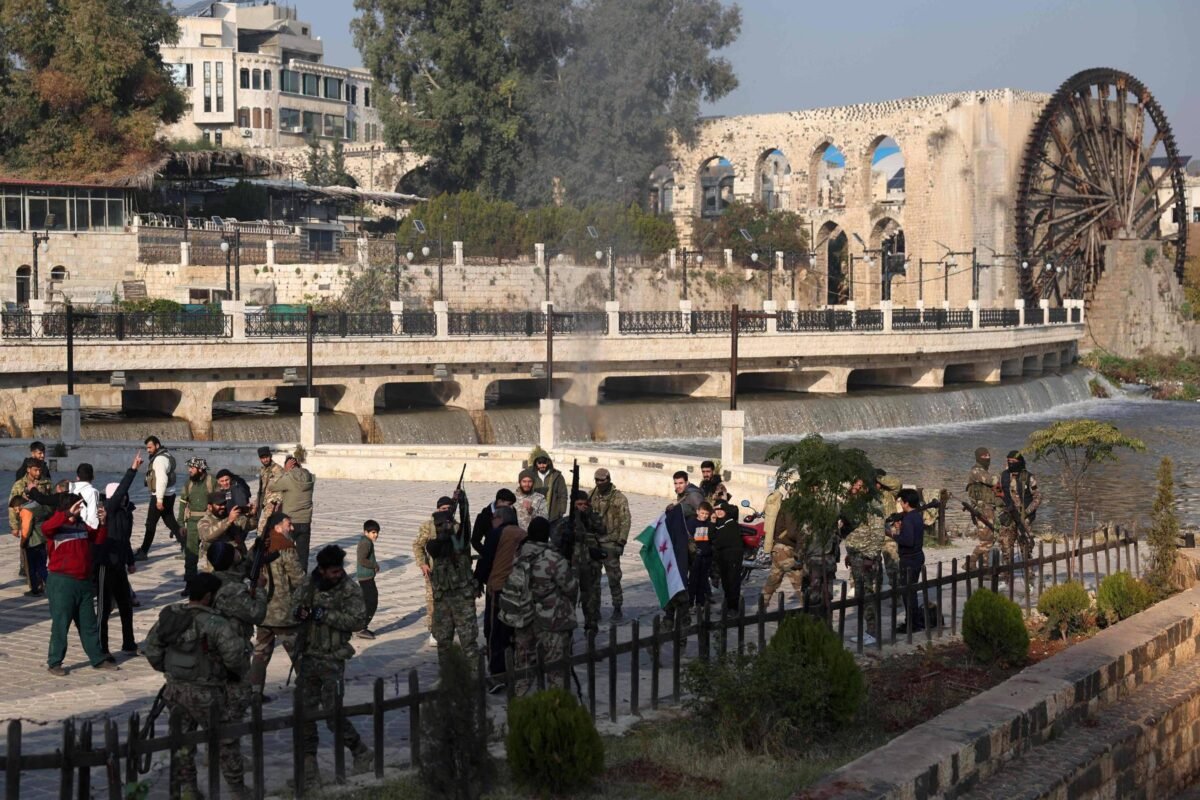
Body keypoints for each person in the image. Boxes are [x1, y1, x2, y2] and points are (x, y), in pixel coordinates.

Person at [142, 573, 248, 799]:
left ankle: (188, 788)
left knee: (182, 742)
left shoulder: (171, 618)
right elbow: (236, 658)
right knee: (226, 741)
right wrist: (228, 674)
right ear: (209, 596)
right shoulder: (216, 624)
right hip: (207, 693)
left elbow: (151, 650)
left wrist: (172, 671)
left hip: (175, 691)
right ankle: (237, 790)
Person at [290, 544, 374, 789]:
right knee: (305, 713)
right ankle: (309, 767)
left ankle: (360, 751)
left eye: (340, 571)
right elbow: (293, 607)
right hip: (308, 657)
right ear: (322, 570)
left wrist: (324, 615)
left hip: (332, 658)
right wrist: (302, 613)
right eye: (333, 572)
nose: (338, 575)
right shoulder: (309, 583)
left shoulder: (349, 589)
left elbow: (358, 620)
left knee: (331, 714)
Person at [207, 541, 267, 800]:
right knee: (234, 706)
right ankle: (228, 760)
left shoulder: (218, 578)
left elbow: (243, 566)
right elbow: (256, 613)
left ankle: (221, 750)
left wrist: (258, 549)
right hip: (230, 654)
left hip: (218, 651)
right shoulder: (230, 588)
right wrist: (262, 590)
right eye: (236, 553)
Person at [42, 494, 119, 675]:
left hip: (83, 582)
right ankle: (54, 662)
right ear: (68, 508)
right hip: (62, 583)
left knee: (88, 623)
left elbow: (97, 539)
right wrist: (66, 513)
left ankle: (97, 658)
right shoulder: (55, 526)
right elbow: (46, 528)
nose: (80, 510)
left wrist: (103, 523)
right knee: (61, 623)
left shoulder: (81, 526)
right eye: (78, 507)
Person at [503, 516, 578, 693]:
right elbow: (571, 587)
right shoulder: (553, 558)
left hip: (523, 619)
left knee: (523, 669)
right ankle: (554, 708)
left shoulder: (519, 554)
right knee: (555, 670)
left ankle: (519, 706)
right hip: (550, 621)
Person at [249, 512, 304, 698]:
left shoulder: (259, 547)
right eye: (289, 524)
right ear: (278, 527)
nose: (292, 528)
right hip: (283, 614)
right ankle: (307, 687)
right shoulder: (286, 548)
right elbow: (298, 579)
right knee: (298, 652)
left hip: (263, 612)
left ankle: (255, 692)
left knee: (260, 653)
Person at [424, 490, 479, 669]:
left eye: (446, 524)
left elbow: (467, 527)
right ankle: (447, 677)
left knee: (469, 643)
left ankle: (474, 676)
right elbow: (437, 546)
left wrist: (463, 504)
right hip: (443, 602)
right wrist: (446, 533)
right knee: (444, 643)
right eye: (440, 525)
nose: (444, 527)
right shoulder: (434, 545)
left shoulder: (459, 542)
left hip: (462, 600)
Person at [96, 451, 143, 655]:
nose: (122, 497)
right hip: (106, 565)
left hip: (119, 565)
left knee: (126, 605)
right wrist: (133, 470)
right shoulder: (111, 509)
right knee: (105, 610)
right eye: (118, 496)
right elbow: (122, 488)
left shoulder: (126, 513)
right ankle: (103, 649)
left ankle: (129, 642)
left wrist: (130, 561)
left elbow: (125, 541)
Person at [474, 505, 525, 685]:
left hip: (499, 588)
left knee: (495, 631)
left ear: (500, 519)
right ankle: (517, 668)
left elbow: (486, 560)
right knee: (516, 630)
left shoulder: (497, 534)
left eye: (494, 518)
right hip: (521, 591)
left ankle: (497, 674)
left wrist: (477, 581)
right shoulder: (523, 534)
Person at [842, 478, 885, 637]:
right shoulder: (858, 506)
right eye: (855, 485)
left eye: (860, 486)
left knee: (868, 596)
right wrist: (850, 553)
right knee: (860, 595)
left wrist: (870, 556)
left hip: (866, 557)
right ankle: (867, 630)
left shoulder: (874, 505)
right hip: (856, 556)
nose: (856, 489)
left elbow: (878, 534)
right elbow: (856, 531)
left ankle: (872, 632)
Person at [588, 468, 630, 620]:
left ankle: (617, 606)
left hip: (611, 542)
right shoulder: (591, 495)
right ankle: (595, 609)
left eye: (602, 480)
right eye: (597, 480)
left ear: (608, 479)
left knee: (614, 577)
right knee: (594, 578)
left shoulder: (619, 498)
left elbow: (626, 521)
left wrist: (621, 542)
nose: (599, 483)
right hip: (595, 541)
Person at [413, 495, 455, 644]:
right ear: (437, 509)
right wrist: (423, 563)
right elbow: (418, 545)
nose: (446, 511)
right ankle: (433, 631)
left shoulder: (456, 525)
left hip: (452, 572)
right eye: (443, 508)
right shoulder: (428, 526)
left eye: (449, 508)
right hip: (433, 571)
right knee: (433, 601)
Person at [136, 435, 180, 561]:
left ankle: (143, 551)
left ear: (157, 445)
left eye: (150, 447)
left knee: (150, 523)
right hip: (169, 494)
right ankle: (185, 544)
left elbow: (161, 480)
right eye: (147, 448)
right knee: (169, 520)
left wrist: (159, 499)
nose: (148, 450)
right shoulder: (166, 455)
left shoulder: (159, 460)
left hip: (161, 495)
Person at [9, 458, 50, 592]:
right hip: (26, 526)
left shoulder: (46, 483)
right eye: (35, 470)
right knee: (29, 561)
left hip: (42, 527)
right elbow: (13, 506)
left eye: (40, 470)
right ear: (28, 469)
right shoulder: (19, 485)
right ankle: (35, 585)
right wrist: (15, 526)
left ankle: (40, 586)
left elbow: (51, 502)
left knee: (41, 561)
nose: (38, 473)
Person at [890, 488, 926, 633]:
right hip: (916, 556)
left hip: (910, 559)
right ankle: (913, 621)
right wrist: (900, 529)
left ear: (906, 503)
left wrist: (892, 534)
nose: (900, 505)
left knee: (908, 592)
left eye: (901, 502)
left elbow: (908, 541)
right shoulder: (916, 516)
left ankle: (912, 624)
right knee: (911, 591)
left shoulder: (909, 518)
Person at [271, 454, 315, 571]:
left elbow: (272, 486)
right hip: (305, 521)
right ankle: (302, 580)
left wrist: (284, 471)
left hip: (289, 522)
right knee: (303, 554)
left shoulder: (288, 478)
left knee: (285, 551)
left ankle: (288, 577)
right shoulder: (310, 477)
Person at [761, 495, 806, 605]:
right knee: (800, 582)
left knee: (772, 581)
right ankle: (809, 612)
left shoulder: (787, 506)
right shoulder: (792, 508)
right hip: (785, 550)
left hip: (778, 549)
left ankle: (761, 608)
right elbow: (793, 532)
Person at [999, 451, 1041, 562]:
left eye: (1014, 461)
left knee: (1026, 544)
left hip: (1024, 516)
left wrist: (1027, 512)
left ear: (1020, 461)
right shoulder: (1004, 475)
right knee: (1005, 544)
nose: (1011, 463)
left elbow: (1037, 498)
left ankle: (1028, 569)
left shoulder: (1028, 477)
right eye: (1009, 461)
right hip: (1008, 515)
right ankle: (1007, 570)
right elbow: (998, 492)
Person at [178, 458, 216, 579]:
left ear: (200, 469)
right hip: (192, 523)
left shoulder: (212, 482)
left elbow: (220, 501)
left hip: (209, 522)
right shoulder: (188, 483)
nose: (190, 470)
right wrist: (181, 524)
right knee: (191, 554)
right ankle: (190, 582)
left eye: (192, 468)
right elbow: (182, 503)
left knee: (212, 553)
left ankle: (213, 581)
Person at [198, 491, 247, 573]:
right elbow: (207, 536)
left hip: (236, 561)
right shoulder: (204, 521)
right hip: (218, 566)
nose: (223, 507)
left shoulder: (231, 516)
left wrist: (251, 515)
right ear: (210, 507)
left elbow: (248, 525)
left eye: (224, 504)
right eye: (219, 505)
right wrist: (228, 521)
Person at [965, 447, 999, 563]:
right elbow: (992, 480)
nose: (987, 458)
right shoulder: (976, 471)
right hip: (982, 509)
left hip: (988, 508)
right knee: (986, 540)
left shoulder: (984, 471)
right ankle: (971, 562)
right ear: (978, 457)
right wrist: (1005, 475)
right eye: (984, 456)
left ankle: (982, 565)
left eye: (988, 456)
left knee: (990, 538)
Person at [710, 501, 745, 612]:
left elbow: (733, 509)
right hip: (723, 556)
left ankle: (733, 608)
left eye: (721, 510)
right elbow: (712, 536)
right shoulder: (718, 523)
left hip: (733, 556)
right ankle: (728, 606)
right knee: (725, 582)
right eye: (717, 510)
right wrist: (712, 522)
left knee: (732, 582)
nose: (719, 512)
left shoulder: (731, 522)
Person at [470, 488, 517, 554]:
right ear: (500, 501)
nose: (511, 507)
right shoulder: (484, 516)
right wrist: (487, 554)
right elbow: (475, 541)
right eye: (509, 504)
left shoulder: (512, 511)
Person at [686, 502, 714, 609]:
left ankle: (700, 603)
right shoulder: (691, 523)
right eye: (702, 513)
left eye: (706, 514)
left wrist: (712, 522)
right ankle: (690, 603)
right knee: (693, 581)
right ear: (697, 511)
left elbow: (712, 538)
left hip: (706, 556)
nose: (704, 516)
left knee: (703, 581)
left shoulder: (709, 523)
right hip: (695, 557)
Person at [356, 520, 381, 639]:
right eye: (373, 532)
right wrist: (374, 565)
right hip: (365, 577)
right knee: (371, 601)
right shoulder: (366, 543)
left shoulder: (367, 541)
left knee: (369, 601)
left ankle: (362, 626)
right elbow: (362, 559)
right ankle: (361, 627)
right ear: (365, 532)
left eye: (377, 532)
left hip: (367, 576)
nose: (375, 535)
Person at [531, 451, 568, 521]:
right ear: (536, 463)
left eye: (544, 463)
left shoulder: (557, 476)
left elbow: (563, 495)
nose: (542, 465)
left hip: (553, 516)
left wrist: (561, 511)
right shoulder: (531, 476)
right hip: (534, 515)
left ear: (548, 462)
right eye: (539, 463)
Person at [254, 446, 283, 532]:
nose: (265, 460)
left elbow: (283, 486)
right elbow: (263, 487)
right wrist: (257, 501)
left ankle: (259, 543)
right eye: (262, 458)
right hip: (265, 502)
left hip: (273, 502)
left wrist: (278, 502)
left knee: (262, 528)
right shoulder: (263, 470)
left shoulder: (277, 469)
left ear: (270, 456)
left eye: (266, 457)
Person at [69, 463, 101, 530]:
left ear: (77, 477)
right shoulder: (93, 492)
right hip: (83, 530)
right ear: (93, 477)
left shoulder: (70, 488)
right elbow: (93, 516)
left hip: (67, 527)